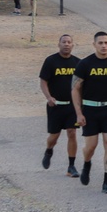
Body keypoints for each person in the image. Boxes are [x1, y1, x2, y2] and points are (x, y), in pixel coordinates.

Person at [72, 31, 107, 193]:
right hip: (90, 109)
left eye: (106, 43)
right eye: (100, 43)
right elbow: (75, 89)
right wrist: (79, 113)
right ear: (94, 44)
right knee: (91, 146)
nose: (104, 46)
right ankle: (87, 164)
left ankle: (106, 182)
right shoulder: (85, 64)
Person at [39, 34, 80, 176]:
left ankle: (71, 166)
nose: (66, 44)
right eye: (64, 42)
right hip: (56, 106)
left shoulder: (78, 63)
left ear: (73, 45)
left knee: (72, 133)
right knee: (54, 137)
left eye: (69, 42)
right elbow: (43, 81)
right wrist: (49, 97)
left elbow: (83, 84)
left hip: (72, 106)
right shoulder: (51, 61)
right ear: (59, 44)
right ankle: (49, 150)